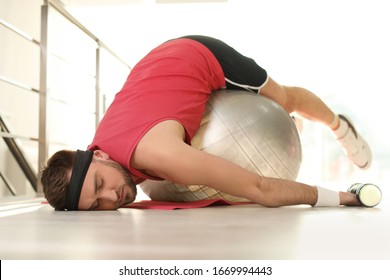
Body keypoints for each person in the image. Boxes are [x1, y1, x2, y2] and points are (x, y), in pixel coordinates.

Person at [40, 35, 371, 211]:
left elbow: (261, 188)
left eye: (100, 186)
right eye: (97, 205)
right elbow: (75, 190)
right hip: (156, 71)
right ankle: (292, 127)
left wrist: (346, 198)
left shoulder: (158, 153)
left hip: (196, 54)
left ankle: (340, 127)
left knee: (283, 99)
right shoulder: (98, 159)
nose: (112, 198)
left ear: (96, 157)